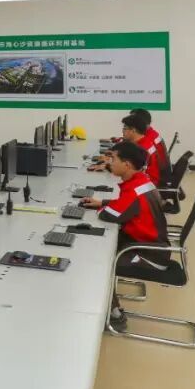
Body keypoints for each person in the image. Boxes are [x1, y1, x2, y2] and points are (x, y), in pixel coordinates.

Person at [80, 141, 169, 331]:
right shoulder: (140, 181)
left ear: (127, 164)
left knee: (99, 266)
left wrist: (102, 208)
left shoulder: (135, 190)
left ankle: (115, 317)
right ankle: (109, 308)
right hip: (147, 246)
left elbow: (109, 215)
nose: (109, 162)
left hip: (150, 256)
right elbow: (124, 205)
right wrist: (103, 202)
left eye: (113, 159)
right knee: (100, 253)